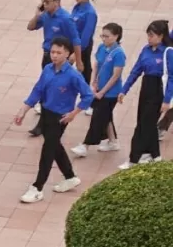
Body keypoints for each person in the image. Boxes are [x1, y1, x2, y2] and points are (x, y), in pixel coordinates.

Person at [13, 37, 93, 202]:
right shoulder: (48, 69)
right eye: (53, 52)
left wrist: (74, 113)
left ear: (67, 54)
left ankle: (37, 187)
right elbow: (38, 90)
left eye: (59, 52)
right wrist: (23, 110)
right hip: (46, 113)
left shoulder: (73, 75)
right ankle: (70, 176)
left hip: (61, 117)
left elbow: (88, 95)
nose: (54, 55)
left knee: (48, 149)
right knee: (54, 144)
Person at [27, 0, 83, 137]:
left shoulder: (66, 19)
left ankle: (46, 124)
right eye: (43, 1)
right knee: (44, 88)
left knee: (53, 89)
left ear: (57, 2)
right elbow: (30, 27)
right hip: (47, 56)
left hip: (61, 59)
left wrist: (78, 60)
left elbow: (76, 41)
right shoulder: (45, 15)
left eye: (47, 1)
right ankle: (44, 121)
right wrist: (37, 15)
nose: (44, 4)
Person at [117, 20, 173, 169]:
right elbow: (136, 71)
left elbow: (172, 78)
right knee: (145, 121)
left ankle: (133, 159)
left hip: (158, 90)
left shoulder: (168, 52)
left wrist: (167, 100)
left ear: (161, 36)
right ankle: (155, 155)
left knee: (143, 125)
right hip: (146, 88)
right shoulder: (146, 50)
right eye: (148, 35)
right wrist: (124, 90)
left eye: (151, 35)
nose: (149, 38)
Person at [73, 23, 126, 157]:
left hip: (111, 93)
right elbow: (97, 64)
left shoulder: (119, 53)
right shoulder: (102, 47)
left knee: (97, 117)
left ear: (116, 36)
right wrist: (94, 81)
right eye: (102, 35)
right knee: (105, 116)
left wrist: (103, 92)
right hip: (99, 88)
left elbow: (115, 76)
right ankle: (113, 141)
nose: (103, 39)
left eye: (107, 36)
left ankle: (85, 145)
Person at [72, 0, 100, 91]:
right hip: (72, 42)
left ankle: (86, 96)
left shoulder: (90, 13)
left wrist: (76, 53)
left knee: (84, 69)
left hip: (82, 46)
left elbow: (86, 37)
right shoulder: (77, 7)